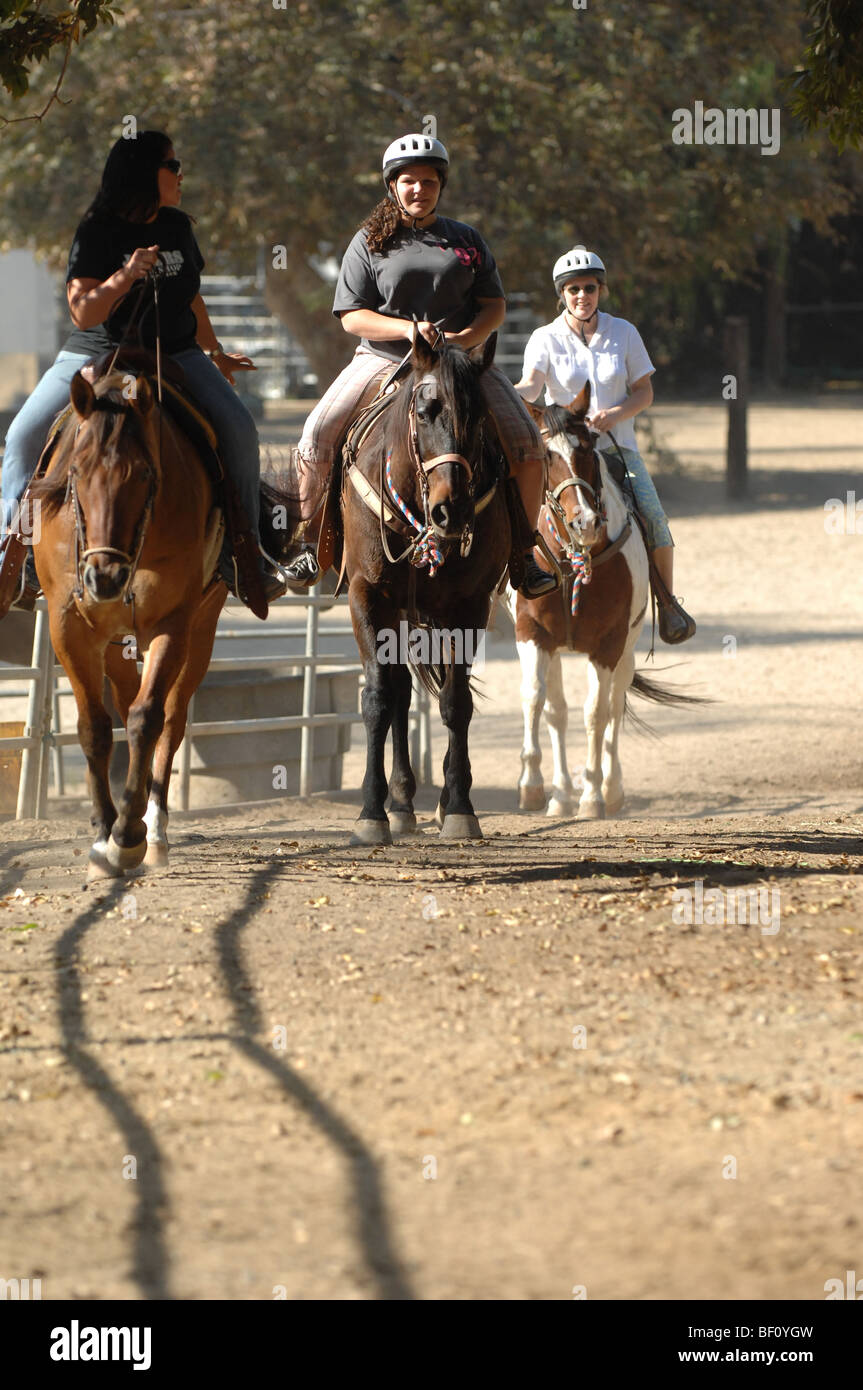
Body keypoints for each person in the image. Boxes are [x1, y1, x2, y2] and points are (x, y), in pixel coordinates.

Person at [0, 129, 286, 611]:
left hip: (175, 353)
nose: (181, 174)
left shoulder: (177, 226)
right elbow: (83, 312)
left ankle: (247, 553)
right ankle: (13, 554)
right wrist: (125, 275)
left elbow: (191, 298)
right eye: (172, 166)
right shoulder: (96, 229)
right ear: (143, 174)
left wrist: (213, 353)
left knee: (240, 429)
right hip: (95, 353)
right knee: (23, 438)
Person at [282, 132, 556, 598]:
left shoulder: (466, 240)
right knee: (317, 433)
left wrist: (467, 340)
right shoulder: (369, 241)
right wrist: (407, 330)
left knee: (529, 443)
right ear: (393, 186)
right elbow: (351, 315)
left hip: (459, 366)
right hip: (383, 359)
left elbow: (494, 305)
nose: (419, 190)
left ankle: (524, 556)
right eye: (409, 181)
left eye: (428, 181)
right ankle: (311, 544)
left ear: (440, 186)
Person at [514, 247, 696, 643]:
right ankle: (503, 589)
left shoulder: (624, 333)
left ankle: (667, 604)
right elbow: (532, 383)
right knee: (514, 513)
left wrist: (615, 415)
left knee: (656, 520)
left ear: (601, 289)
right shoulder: (544, 338)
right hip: (562, 452)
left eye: (590, 288)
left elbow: (644, 391)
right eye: (574, 289)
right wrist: (509, 396)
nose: (583, 296)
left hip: (616, 448)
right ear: (561, 293)